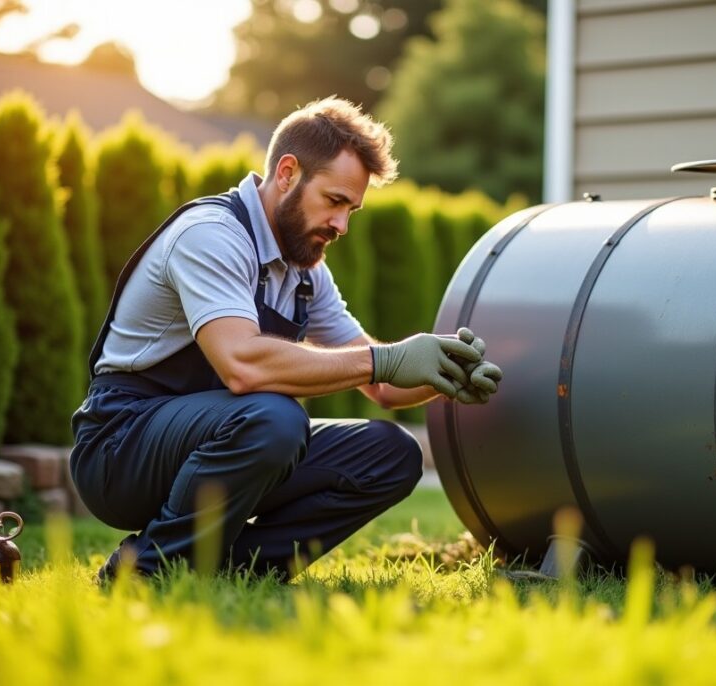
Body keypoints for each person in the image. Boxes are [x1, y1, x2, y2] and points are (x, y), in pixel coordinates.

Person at [70, 97, 502, 582]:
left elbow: (382, 385)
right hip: (122, 448)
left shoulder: (304, 272)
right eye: (334, 201)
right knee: (277, 419)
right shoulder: (211, 235)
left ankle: (239, 569)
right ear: (287, 173)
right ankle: (148, 570)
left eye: (352, 210)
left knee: (391, 453)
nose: (341, 225)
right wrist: (385, 359)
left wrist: (446, 372)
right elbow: (242, 365)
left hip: (221, 437)